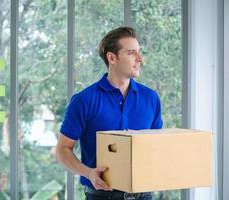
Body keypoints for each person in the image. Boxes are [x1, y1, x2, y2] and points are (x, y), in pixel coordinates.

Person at [56, 26, 163, 200]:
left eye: (139, 52)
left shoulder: (150, 98)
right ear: (112, 57)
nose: (140, 59)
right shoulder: (84, 100)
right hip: (102, 196)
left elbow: (156, 147)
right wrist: (88, 172)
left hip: (144, 195)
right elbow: (62, 149)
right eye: (131, 53)